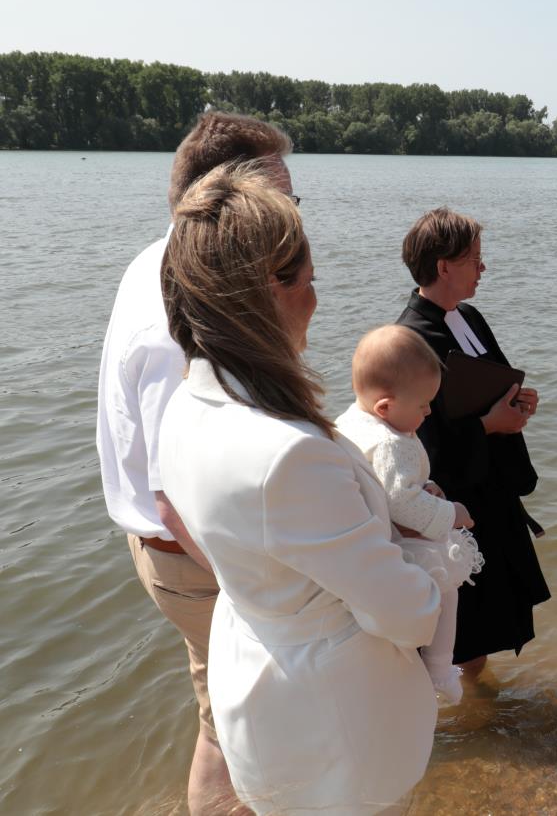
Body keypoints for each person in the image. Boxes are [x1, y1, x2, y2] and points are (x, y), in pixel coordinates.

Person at [158, 163, 442, 814]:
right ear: (269, 291)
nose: (317, 299)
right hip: (335, 719)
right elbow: (405, 611)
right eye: (309, 281)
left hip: (259, 679)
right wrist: (432, 568)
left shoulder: (186, 405)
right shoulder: (285, 455)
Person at [95, 111, 293, 815]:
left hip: (187, 546)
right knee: (230, 719)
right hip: (193, 552)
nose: (296, 216)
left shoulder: (164, 260)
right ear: (232, 202)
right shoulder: (171, 314)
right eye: (285, 200)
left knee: (227, 703)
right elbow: (172, 483)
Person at [396, 207, 550, 681]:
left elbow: (491, 387)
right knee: (462, 640)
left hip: (491, 489)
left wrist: (516, 405)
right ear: (444, 266)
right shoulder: (411, 339)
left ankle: (481, 718)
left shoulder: (469, 317)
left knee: (484, 628)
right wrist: (488, 425)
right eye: (475, 261)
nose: (483, 269)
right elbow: (423, 441)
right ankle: (467, 725)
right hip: (459, 501)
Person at [335, 324, 485, 706]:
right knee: (447, 590)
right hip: (406, 545)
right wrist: (453, 512)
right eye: (422, 406)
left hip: (374, 541)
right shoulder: (390, 442)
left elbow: (390, 486)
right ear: (385, 407)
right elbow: (401, 501)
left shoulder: (352, 421)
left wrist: (426, 486)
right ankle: (440, 668)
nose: (429, 411)